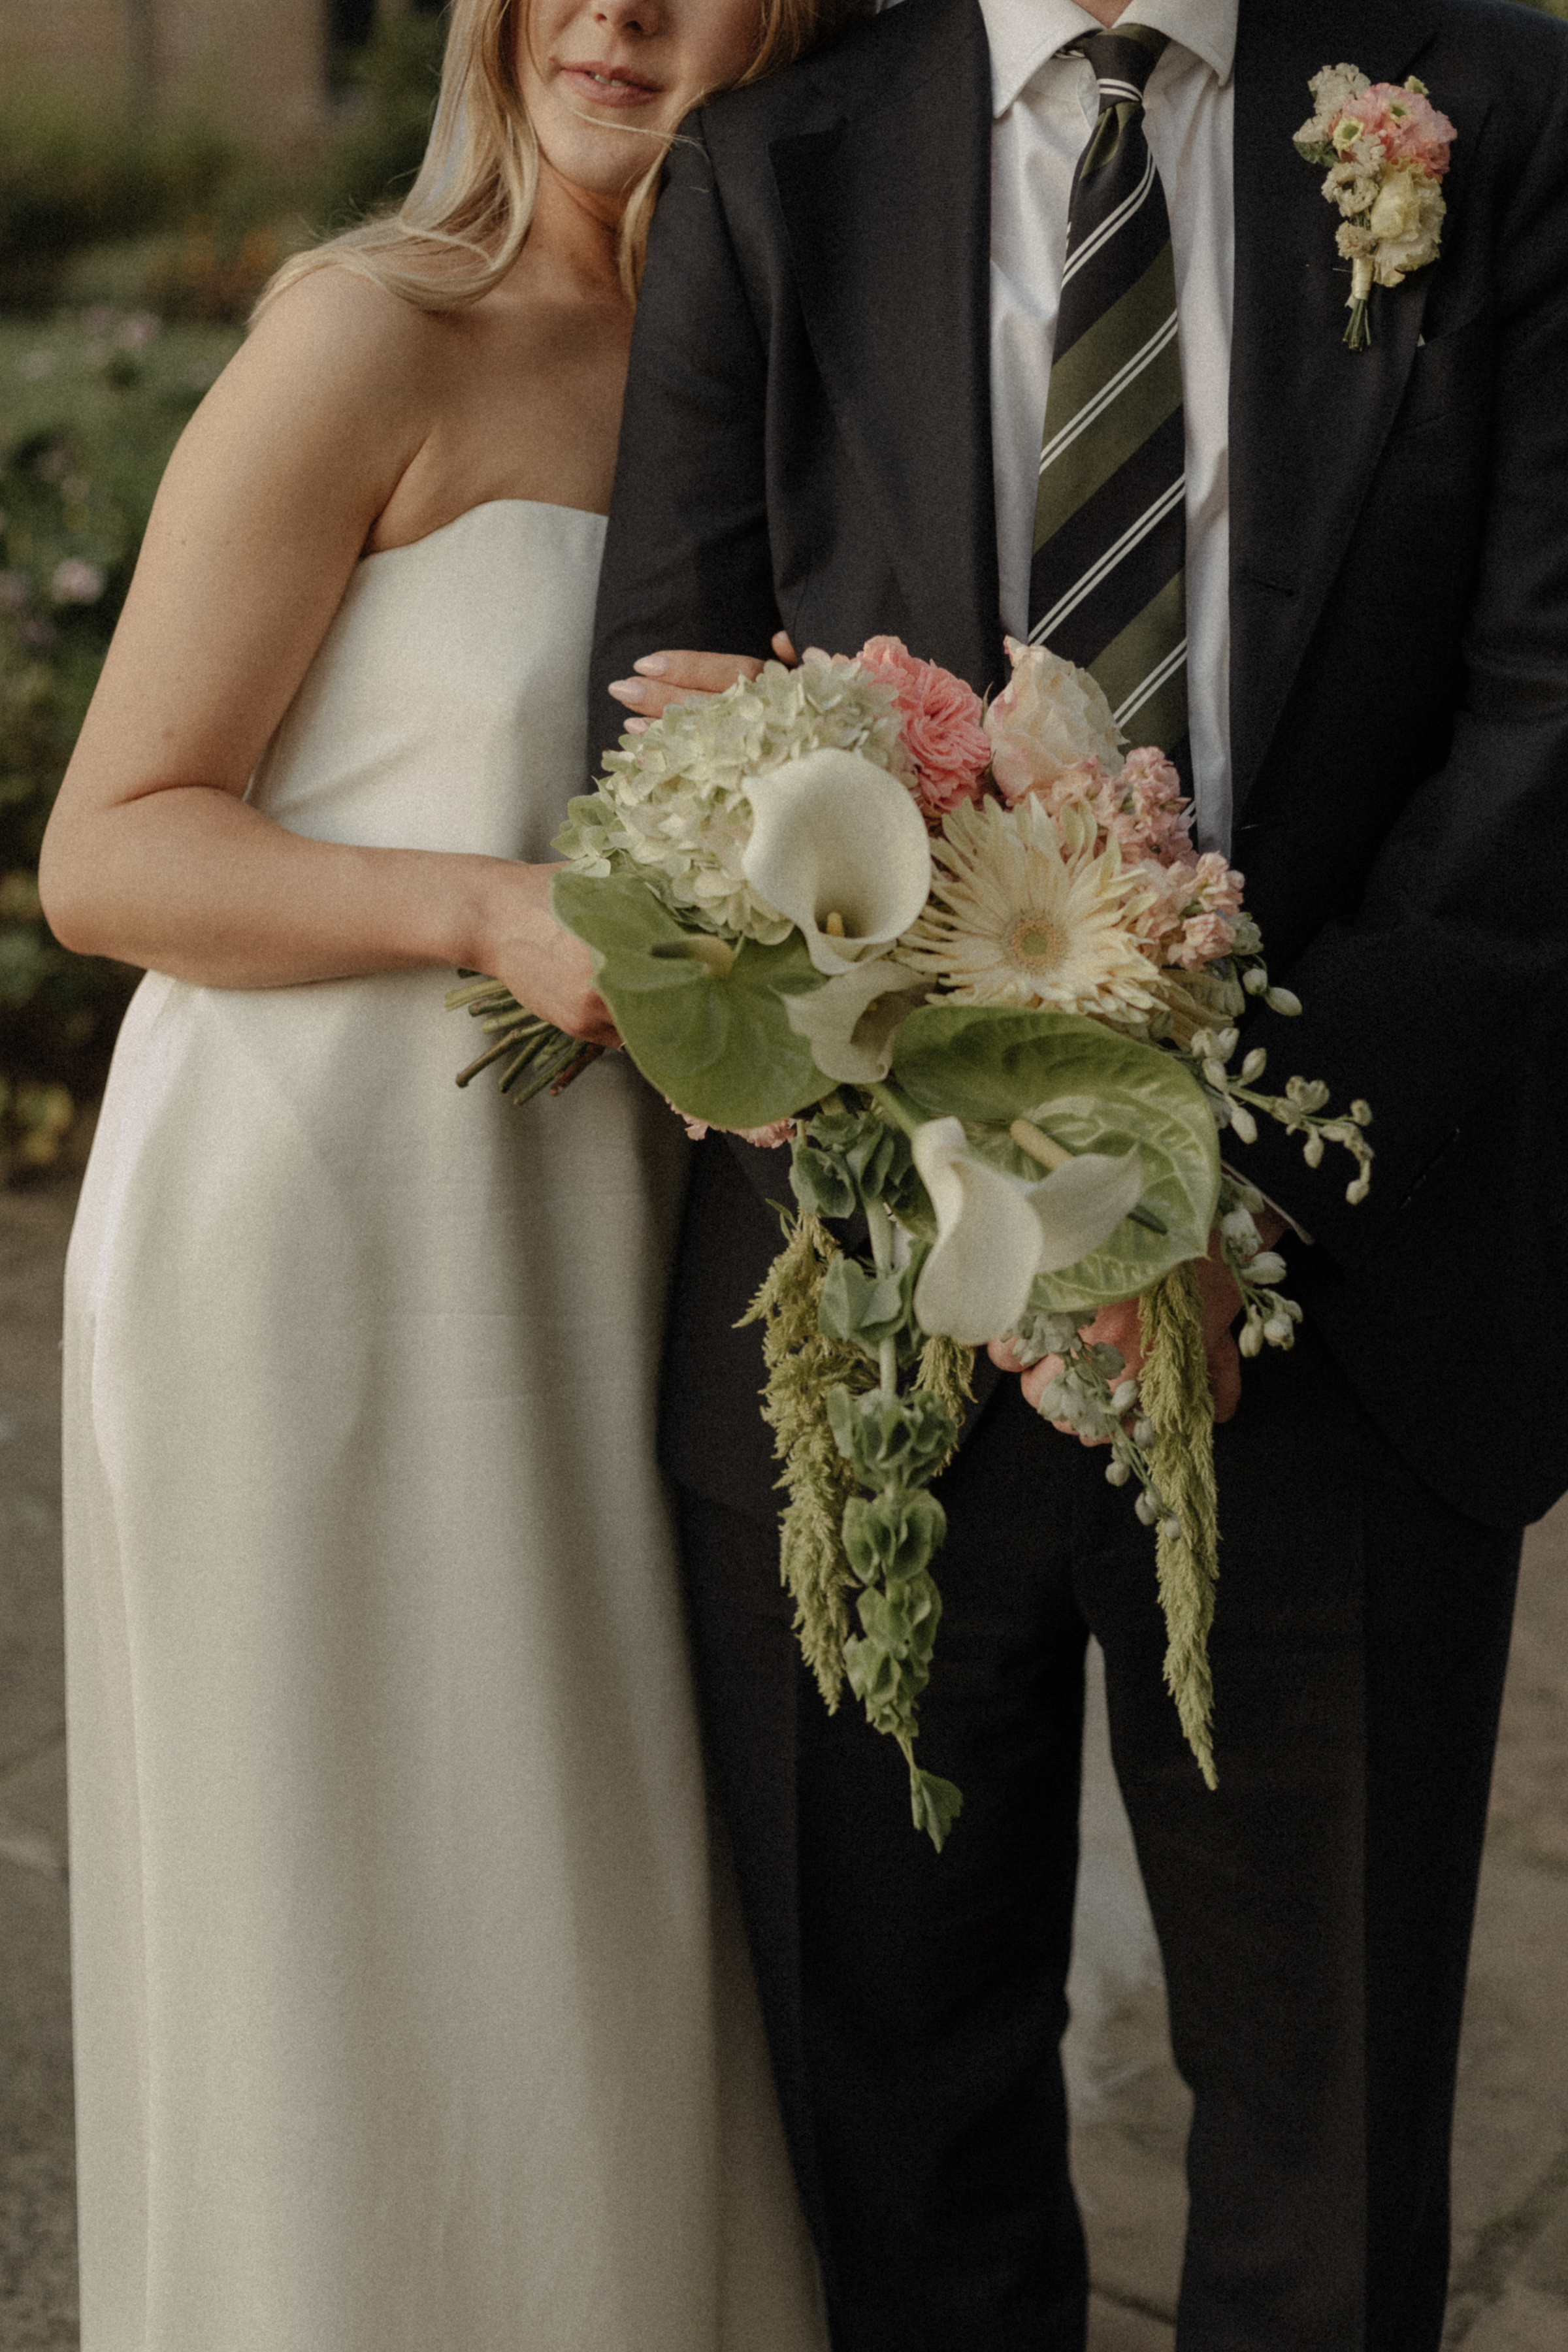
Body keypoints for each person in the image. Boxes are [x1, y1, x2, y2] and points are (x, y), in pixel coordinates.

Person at [589, 0, 1568, 2345]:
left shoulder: (1496, 114)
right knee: (899, 2131)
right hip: (868, 1320)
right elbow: (667, 741)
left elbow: (1549, 712)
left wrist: (1217, 1183)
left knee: (1326, 2173)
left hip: (1339, 1305)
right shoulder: (770, 175)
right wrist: (957, 1150)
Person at [37, 5, 861, 2347]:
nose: (616, 8)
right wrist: (485, 908)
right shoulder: (370, 329)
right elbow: (110, 853)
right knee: (339, 1917)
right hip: (316, 1239)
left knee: (584, 1912)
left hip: (610, 1259)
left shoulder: (812, 375)